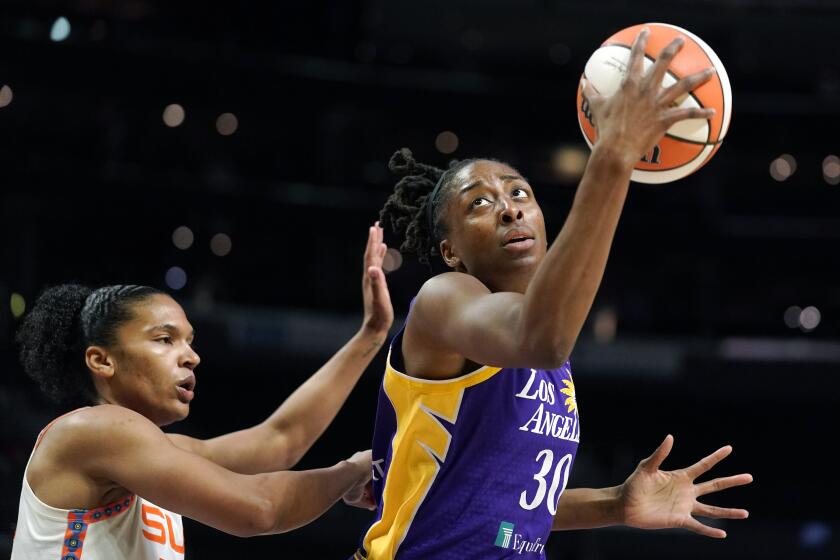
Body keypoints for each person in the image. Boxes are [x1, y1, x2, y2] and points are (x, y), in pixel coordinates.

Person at [354, 30, 752, 559]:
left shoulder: (544, 351)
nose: (510, 208)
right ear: (450, 251)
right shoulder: (442, 301)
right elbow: (543, 337)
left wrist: (615, 504)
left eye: (520, 193)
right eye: (479, 203)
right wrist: (614, 154)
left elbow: (505, 502)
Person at [11, 224, 392, 559]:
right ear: (102, 360)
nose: (191, 356)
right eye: (164, 339)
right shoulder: (96, 430)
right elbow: (260, 509)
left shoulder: (146, 451)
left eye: (189, 342)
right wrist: (352, 470)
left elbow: (280, 440)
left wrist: (371, 334)